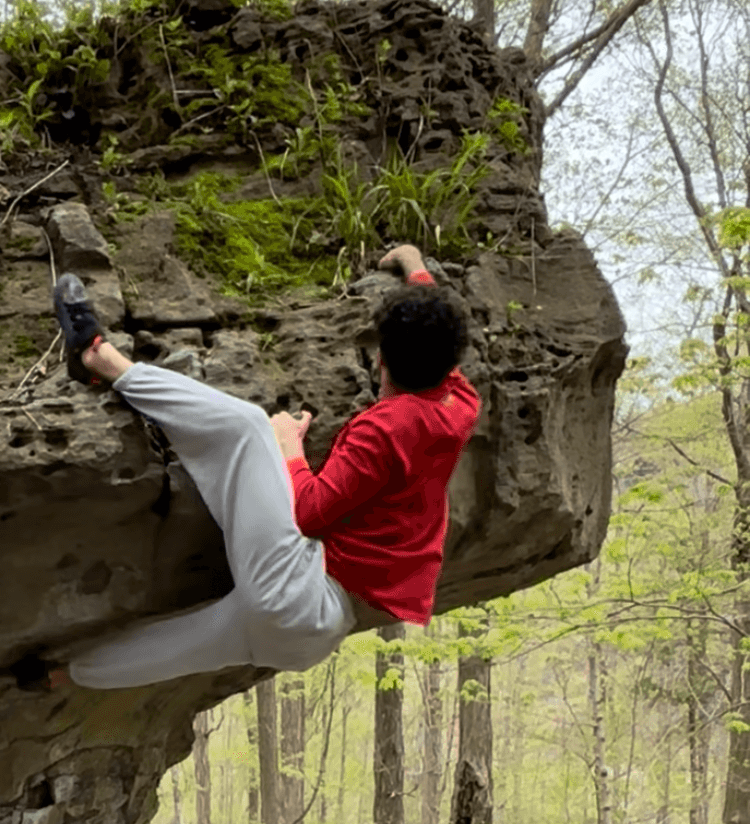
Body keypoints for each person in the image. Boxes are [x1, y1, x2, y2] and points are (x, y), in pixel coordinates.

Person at [50, 242, 479, 688]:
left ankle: (102, 359)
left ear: (380, 359)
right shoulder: (459, 405)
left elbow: (310, 511)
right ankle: (62, 675)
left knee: (249, 428)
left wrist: (288, 443)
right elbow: (438, 335)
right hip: (314, 637)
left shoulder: (386, 429)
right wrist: (415, 267)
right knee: (175, 648)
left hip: (299, 595)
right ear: (446, 364)